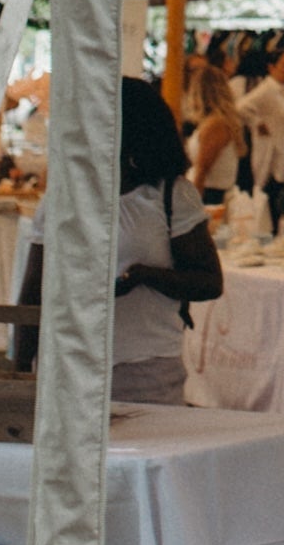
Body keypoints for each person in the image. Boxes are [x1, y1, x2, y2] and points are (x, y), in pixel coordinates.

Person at [18, 78, 223, 404]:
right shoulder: (63, 197)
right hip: (69, 362)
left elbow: (209, 282)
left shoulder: (171, 195)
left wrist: (146, 276)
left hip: (146, 367)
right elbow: (33, 291)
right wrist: (20, 370)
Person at [238, 38, 284, 212]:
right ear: (272, 67)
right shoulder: (267, 90)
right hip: (271, 158)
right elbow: (240, 107)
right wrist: (256, 123)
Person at [187, 62, 246, 205]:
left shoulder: (216, 125)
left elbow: (202, 170)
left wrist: (192, 206)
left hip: (209, 195)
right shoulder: (216, 122)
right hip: (209, 192)